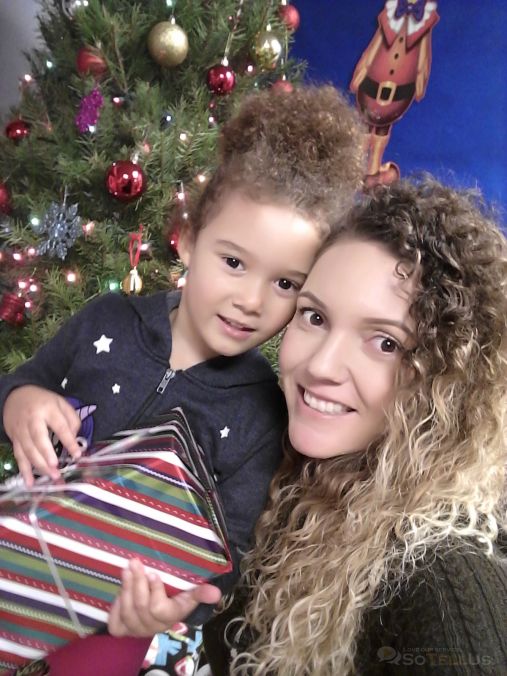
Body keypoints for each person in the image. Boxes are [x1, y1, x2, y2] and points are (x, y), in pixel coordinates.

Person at [0, 85, 365, 675]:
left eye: (285, 284)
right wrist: (21, 401)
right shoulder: (107, 319)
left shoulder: (261, 414)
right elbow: (21, 382)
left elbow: (230, 554)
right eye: (234, 262)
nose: (251, 301)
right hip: (21, 554)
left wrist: (172, 608)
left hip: (118, 622)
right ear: (190, 239)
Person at [200, 176, 507, 675]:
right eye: (314, 317)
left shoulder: (443, 584)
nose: (321, 365)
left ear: (450, 379)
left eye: (385, 343)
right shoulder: (274, 469)